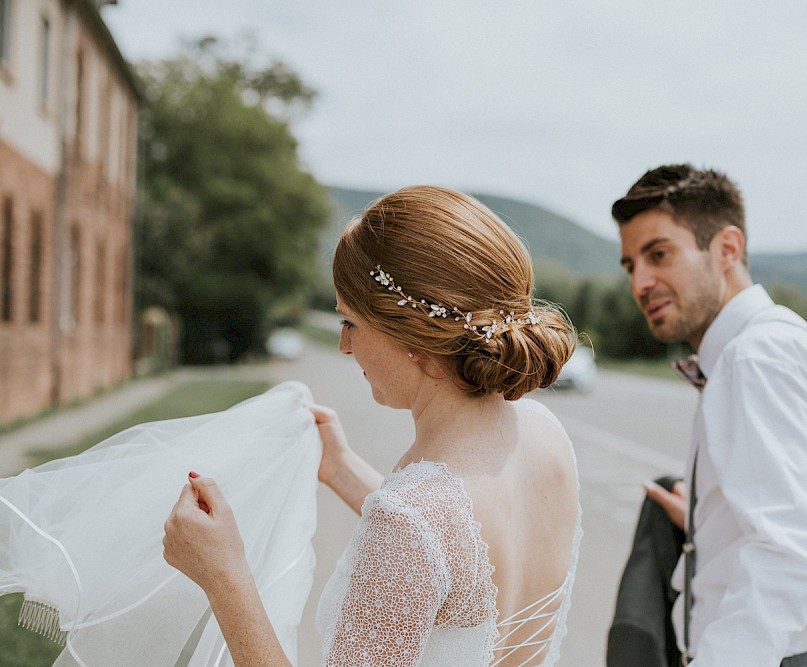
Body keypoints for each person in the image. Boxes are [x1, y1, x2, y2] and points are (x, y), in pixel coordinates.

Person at [162, 185, 583, 666]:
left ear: (411, 334)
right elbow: (455, 561)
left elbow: (424, 538)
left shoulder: (411, 521)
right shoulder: (544, 435)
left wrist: (225, 576)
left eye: (350, 323)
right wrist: (341, 469)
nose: (344, 347)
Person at [610, 165, 807, 666]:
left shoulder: (755, 358)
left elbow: (784, 558)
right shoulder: (785, 340)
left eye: (658, 254)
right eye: (630, 266)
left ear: (728, 249)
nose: (640, 282)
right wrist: (711, 520)